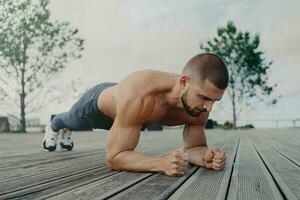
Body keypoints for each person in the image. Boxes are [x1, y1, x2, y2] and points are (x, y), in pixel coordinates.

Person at [42, 52, 228, 176]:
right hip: (97, 107)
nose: (209, 108)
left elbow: (194, 148)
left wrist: (205, 158)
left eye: (214, 101)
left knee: (130, 115)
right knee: (69, 120)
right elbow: (115, 157)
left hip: (130, 115)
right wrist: (161, 164)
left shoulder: (198, 107)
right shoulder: (141, 93)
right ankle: (54, 126)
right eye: (204, 97)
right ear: (184, 82)